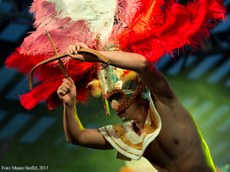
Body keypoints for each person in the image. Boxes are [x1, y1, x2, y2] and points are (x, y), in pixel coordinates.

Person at [57, 43, 216, 172]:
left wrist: (95, 54)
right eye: (109, 98)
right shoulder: (128, 134)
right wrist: (69, 104)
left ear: (137, 89)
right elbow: (77, 137)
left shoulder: (166, 104)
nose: (114, 105)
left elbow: (143, 64)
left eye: (117, 96)